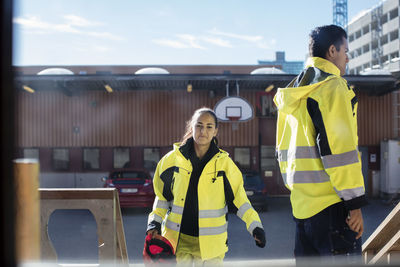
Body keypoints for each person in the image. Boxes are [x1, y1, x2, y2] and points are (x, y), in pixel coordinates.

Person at [273, 25, 367, 263]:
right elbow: (339, 151)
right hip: (334, 210)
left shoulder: (295, 90)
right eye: (346, 50)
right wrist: (354, 204)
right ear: (332, 50)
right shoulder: (333, 87)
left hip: (302, 210)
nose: (348, 56)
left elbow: (281, 152)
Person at [146, 107, 266, 266]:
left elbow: (240, 201)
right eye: (199, 125)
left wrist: (255, 227)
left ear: (216, 131)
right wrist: (154, 222)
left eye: (209, 126)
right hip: (178, 242)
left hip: (212, 247)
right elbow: (161, 198)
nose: (204, 130)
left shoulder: (225, 165)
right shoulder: (170, 161)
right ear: (192, 127)